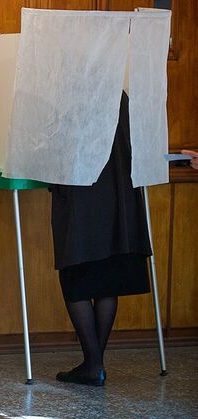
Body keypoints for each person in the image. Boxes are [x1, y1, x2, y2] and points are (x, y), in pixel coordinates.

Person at [50, 92, 152, 386]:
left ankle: (93, 364)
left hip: (82, 194)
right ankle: (94, 363)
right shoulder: (118, 94)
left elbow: (56, 147)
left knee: (75, 277)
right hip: (119, 195)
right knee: (107, 279)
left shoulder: (71, 95)